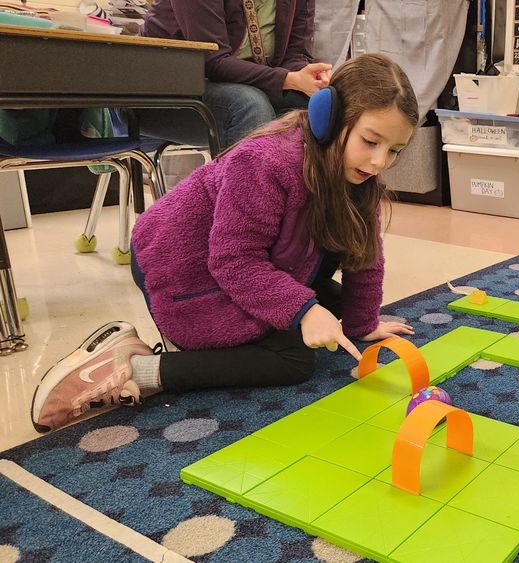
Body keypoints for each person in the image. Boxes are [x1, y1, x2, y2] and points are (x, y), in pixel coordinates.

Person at [31, 54, 418, 433]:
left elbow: (365, 256)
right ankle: (137, 368)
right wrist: (303, 311)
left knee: (329, 304)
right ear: (329, 118)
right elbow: (235, 261)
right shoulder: (266, 161)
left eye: (394, 150)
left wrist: (362, 323)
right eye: (371, 141)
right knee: (295, 358)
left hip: (258, 260)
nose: (380, 161)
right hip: (182, 266)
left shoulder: (360, 174)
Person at [139, 0, 334, 148]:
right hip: (161, 93)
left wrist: (312, 78)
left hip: (241, 86)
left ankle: (325, 200)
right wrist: (288, 80)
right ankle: (248, 199)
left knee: (328, 104)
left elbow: (295, 55)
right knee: (248, 105)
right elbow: (213, 61)